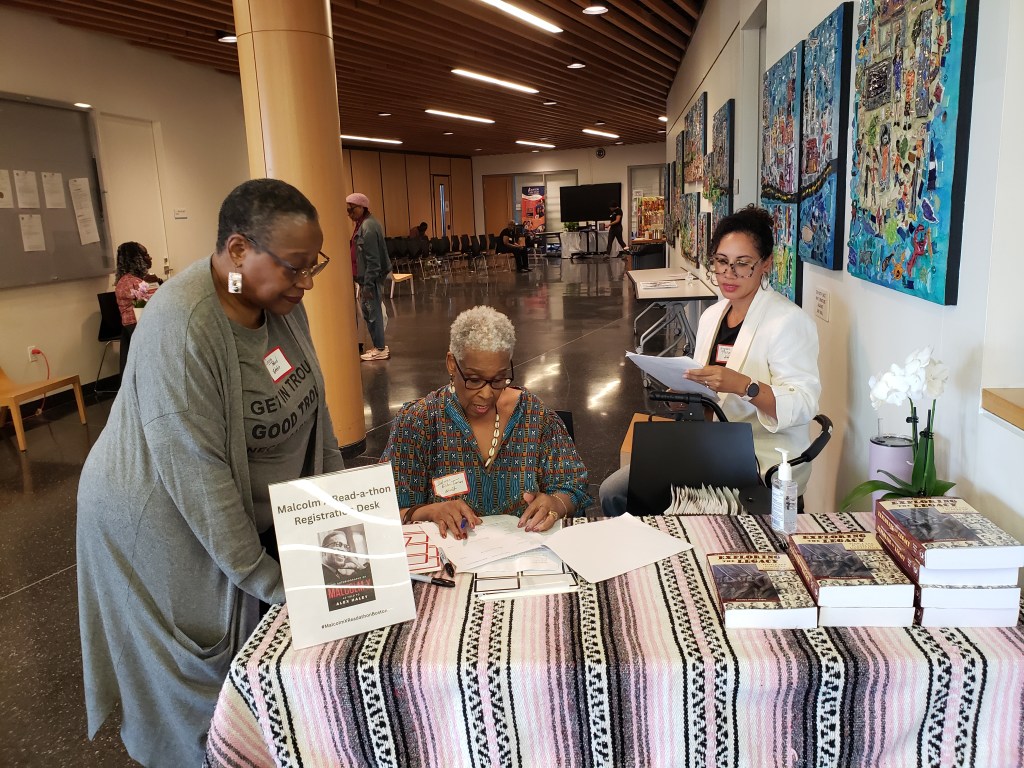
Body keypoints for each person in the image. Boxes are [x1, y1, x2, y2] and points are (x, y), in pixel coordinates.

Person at [77, 178, 345, 767]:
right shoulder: (183, 326)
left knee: (255, 656)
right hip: (157, 520)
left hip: (225, 503)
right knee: (204, 681)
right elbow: (200, 482)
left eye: (314, 265)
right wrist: (279, 586)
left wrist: (339, 520)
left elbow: (315, 411)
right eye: (295, 267)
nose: (306, 282)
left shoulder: (271, 300)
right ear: (240, 250)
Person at [599, 206, 820, 515]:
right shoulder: (713, 315)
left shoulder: (787, 321)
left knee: (637, 495)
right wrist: (685, 397)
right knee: (613, 491)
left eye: (742, 264)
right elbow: (709, 392)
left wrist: (745, 386)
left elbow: (805, 404)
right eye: (721, 261)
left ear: (766, 263)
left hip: (758, 458)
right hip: (708, 445)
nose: (729, 273)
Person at [382, 305, 589, 538]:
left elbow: (573, 485)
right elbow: (385, 513)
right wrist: (429, 512)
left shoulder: (534, 416)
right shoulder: (419, 422)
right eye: (474, 379)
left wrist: (555, 504)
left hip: (526, 554)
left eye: (499, 379)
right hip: (450, 558)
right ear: (452, 364)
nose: (487, 394)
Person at [348, 191, 392, 361]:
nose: (349, 213)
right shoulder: (363, 224)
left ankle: (380, 348)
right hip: (366, 278)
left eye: (352, 209)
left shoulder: (368, 226)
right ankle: (378, 346)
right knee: (370, 312)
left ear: (362, 207)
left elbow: (373, 261)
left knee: (373, 313)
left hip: (370, 279)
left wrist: (367, 285)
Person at [113, 241, 157, 374]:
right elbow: (157, 304)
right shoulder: (131, 282)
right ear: (136, 259)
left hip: (133, 329)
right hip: (137, 330)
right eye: (146, 254)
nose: (150, 257)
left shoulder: (128, 280)